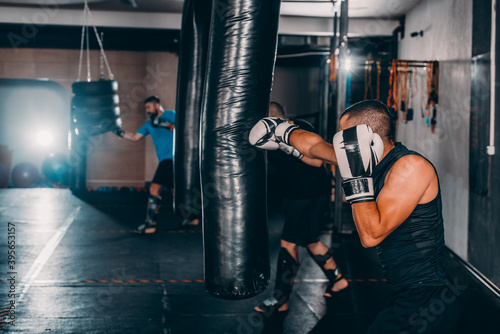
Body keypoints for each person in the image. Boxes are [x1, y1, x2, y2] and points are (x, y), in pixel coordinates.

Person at [249, 100, 460, 333]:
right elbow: (315, 146)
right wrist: (282, 132)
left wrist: (356, 180)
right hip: (406, 294)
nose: (340, 142)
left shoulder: (410, 167)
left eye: (344, 136)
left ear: (366, 138)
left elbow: (371, 236)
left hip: (427, 298)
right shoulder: (364, 159)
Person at [252, 102, 349, 315]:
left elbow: (317, 162)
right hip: (295, 196)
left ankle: (281, 298)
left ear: (274, 121)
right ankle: (339, 280)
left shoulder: (301, 128)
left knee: (288, 242)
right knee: (312, 242)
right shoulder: (266, 138)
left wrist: (286, 146)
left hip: (310, 195)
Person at [115, 95, 176, 234]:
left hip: (172, 158)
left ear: (156, 105)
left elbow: (183, 128)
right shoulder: (149, 124)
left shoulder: (170, 114)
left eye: (149, 107)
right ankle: (193, 218)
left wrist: (164, 124)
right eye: (146, 108)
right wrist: (119, 132)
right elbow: (135, 137)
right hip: (165, 160)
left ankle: (150, 225)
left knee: (154, 189)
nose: (147, 110)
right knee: (176, 192)